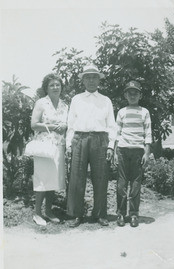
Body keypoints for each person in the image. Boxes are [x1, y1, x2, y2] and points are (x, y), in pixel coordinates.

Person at [66, 65, 116, 227]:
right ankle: (76, 215)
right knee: (76, 178)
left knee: (101, 177)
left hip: (100, 140)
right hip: (79, 139)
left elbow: (111, 126)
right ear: (83, 80)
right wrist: (68, 145)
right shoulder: (76, 99)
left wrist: (110, 146)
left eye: (94, 77)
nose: (91, 80)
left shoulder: (106, 100)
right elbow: (71, 125)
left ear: (99, 79)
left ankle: (100, 214)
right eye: (88, 77)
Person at [31, 73, 68, 226]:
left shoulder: (64, 105)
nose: (55, 87)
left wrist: (65, 127)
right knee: (42, 179)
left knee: (53, 180)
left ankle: (49, 211)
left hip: (58, 147)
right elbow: (34, 124)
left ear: (61, 87)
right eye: (51, 85)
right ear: (46, 88)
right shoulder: (41, 103)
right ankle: (37, 213)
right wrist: (53, 127)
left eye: (57, 84)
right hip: (44, 148)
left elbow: (67, 125)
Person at [115, 81, 152, 227]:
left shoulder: (145, 112)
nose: (132, 95)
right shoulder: (121, 112)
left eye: (135, 92)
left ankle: (134, 214)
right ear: (125, 95)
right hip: (123, 150)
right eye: (129, 92)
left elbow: (148, 133)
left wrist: (147, 152)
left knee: (136, 184)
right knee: (121, 184)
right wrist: (116, 151)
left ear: (140, 95)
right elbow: (117, 134)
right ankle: (121, 214)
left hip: (138, 151)